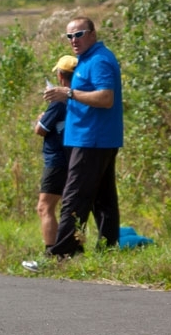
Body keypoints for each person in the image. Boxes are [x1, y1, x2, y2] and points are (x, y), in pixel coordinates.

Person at [43, 17, 123, 257]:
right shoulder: (86, 59)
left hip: (93, 139)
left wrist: (68, 93)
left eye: (79, 34)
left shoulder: (99, 60)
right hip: (91, 138)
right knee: (103, 198)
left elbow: (106, 98)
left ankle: (61, 253)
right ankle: (108, 250)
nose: (73, 41)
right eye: (69, 36)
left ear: (92, 34)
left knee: (74, 197)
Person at [35, 55, 77, 251]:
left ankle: (51, 249)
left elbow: (41, 129)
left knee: (45, 207)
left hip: (56, 160)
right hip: (73, 158)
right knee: (70, 206)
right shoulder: (79, 100)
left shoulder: (58, 103)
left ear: (60, 77)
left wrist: (40, 119)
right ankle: (70, 247)